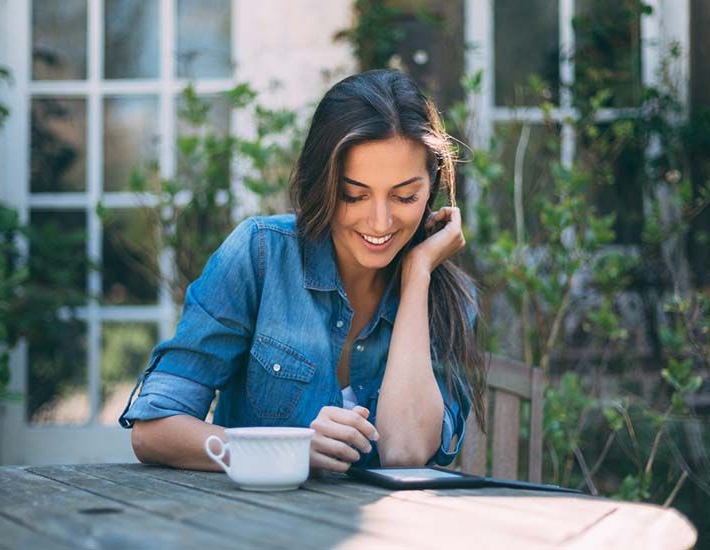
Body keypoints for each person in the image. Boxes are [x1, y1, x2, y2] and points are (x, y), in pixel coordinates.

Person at [119, 69, 487, 473]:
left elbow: (405, 451)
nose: (380, 222)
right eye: (354, 195)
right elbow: (153, 430)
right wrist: (284, 451)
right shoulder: (260, 256)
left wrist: (418, 274)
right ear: (323, 184)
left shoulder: (449, 300)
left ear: (431, 188)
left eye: (404, 196)